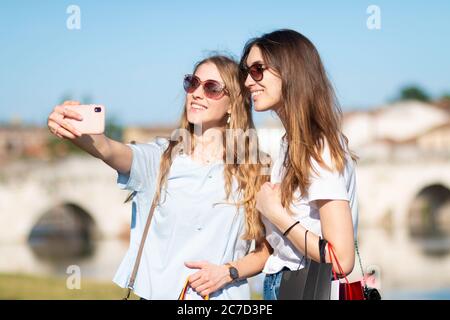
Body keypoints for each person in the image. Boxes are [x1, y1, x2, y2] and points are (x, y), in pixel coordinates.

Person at [47, 55, 271, 300]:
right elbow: (108, 149)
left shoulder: (255, 169)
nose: (196, 93)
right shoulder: (159, 158)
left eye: (211, 88)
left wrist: (229, 272)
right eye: (192, 83)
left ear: (233, 103)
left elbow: (265, 251)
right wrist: (74, 128)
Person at [239, 29, 359, 300]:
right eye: (246, 72)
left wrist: (276, 213)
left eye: (258, 70)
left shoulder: (319, 147)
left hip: (303, 287)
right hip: (287, 284)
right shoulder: (290, 144)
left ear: (290, 71)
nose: (248, 81)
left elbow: (341, 257)